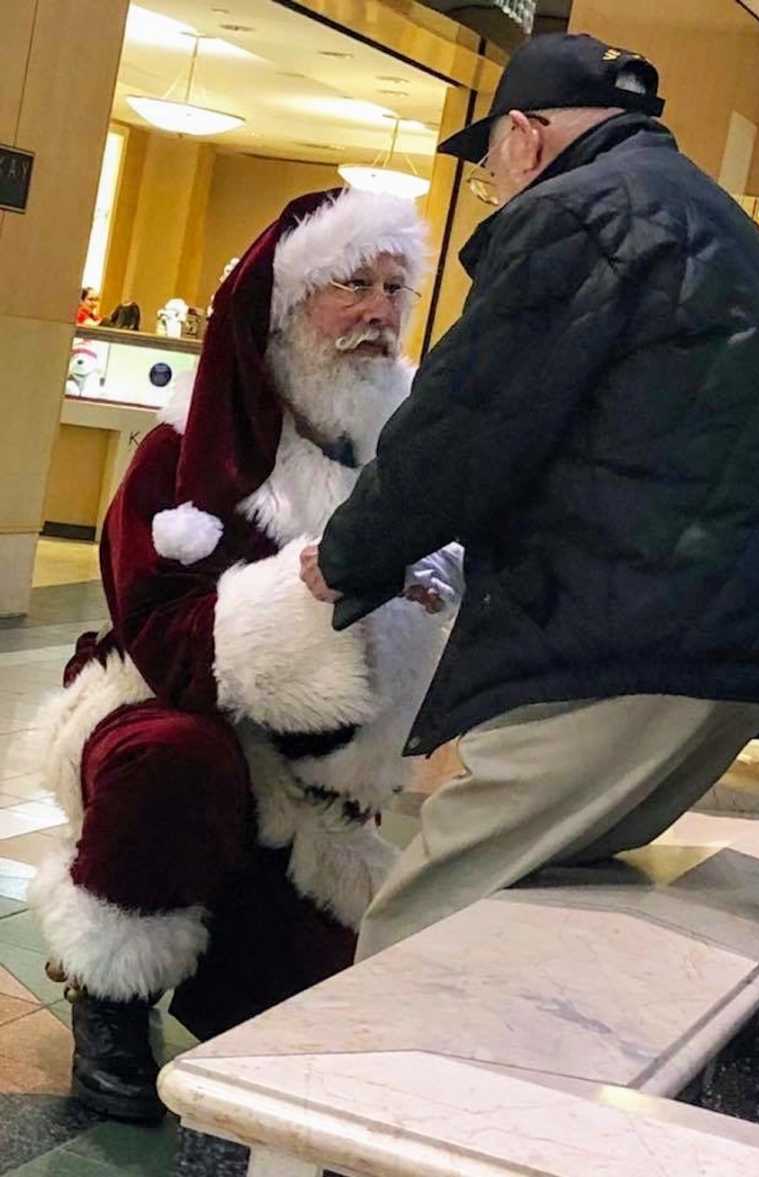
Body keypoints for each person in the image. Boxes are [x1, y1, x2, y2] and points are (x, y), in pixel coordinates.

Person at [300, 33, 759, 961]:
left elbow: (469, 422)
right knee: (543, 894)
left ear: (524, 133)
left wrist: (351, 555)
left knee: (418, 927)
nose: (498, 186)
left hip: (639, 628)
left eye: (489, 170)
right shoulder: (717, 221)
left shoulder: (577, 215)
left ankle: (325, 1103)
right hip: (745, 631)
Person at [29, 188, 460, 1121]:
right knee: (177, 759)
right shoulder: (179, 456)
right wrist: (308, 584)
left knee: (309, 1031)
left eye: (396, 287)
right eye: (353, 283)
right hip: (163, 725)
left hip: (313, 789)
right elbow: (166, 640)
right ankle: (112, 995)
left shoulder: (405, 460)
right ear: (285, 302)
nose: (381, 313)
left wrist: (428, 599)